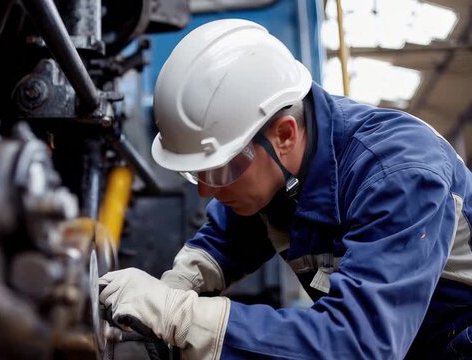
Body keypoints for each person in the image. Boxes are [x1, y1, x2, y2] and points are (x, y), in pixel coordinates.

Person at [98, 19, 472, 359]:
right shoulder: (282, 166)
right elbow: (232, 233)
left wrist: (181, 317)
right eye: (197, 175)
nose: (206, 193)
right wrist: (176, 284)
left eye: (220, 170)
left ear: (284, 135)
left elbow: (355, 345)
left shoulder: (400, 177)